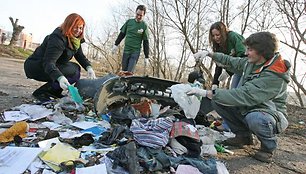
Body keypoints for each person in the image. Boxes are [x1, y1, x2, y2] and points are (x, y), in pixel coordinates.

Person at [190, 32, 290, 163]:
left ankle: (268, 147)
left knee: (255, 118)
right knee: (219, 101)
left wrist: (206, 93)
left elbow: (244, 95)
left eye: (250, 49)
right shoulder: (254, 62)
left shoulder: (274, 75)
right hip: (251, 107)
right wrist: (210, 54)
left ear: (262, 51)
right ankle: (243, 136)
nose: (246, 52)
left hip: (271, 114)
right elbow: (232, 61)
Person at [24, 13, 96, 102]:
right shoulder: (57, 38)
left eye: (81, 28)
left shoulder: (75, 40)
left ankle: (54, 92)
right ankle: (42, 92)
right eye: (75, 27)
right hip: (37, 66)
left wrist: (89, 67)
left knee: (75, 68)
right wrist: (60, 77)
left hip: (49, 65)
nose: (78, 30)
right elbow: (48, 62)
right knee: (73, 71)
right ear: (69, 25)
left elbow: (80, 56)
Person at [112, 5, 149, 73]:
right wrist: (116, 44)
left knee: (129, 73)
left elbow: (145, 42)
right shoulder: (129, 22)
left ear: (144, 15)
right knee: (124, 72)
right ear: (135, 12)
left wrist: (146, 56)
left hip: (135, 52)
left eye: (140, 15)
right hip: (126, 50)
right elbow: (122, 34)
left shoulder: (144, 26)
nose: (138, 17)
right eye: (137, 14)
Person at [208, 21, 246, 89]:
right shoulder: (219, 45)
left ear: (223, 33)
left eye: (217, 35)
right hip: (237, 71)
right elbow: (219, 63)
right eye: (213, 36)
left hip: (247, 68)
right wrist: (215, 82)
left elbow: (243, 57)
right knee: (233, 90)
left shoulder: (233, 37)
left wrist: (228, 72)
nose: (215, 38)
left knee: (239, 92)